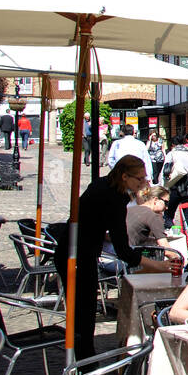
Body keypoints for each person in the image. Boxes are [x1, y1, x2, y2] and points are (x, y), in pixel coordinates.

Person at [56, 155, 153, 361]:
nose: (143, 183)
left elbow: (94, 221)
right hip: (78, 256)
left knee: (82, 314)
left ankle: (83, 364)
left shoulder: (102, 184)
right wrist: (157, 265)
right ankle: (86, 370)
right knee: (84, 315)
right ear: (125, 176)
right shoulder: (115, 197)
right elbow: (123, 250)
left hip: (73, 250)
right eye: (139, 179)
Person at [127, 185, 175, 254]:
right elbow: (166, 250)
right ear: (155, 200)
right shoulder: (154, 216)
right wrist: (179, 260)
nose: (167, 207)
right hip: (125, 259)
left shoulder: (130, 209)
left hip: (109, 254)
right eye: (166, 203)